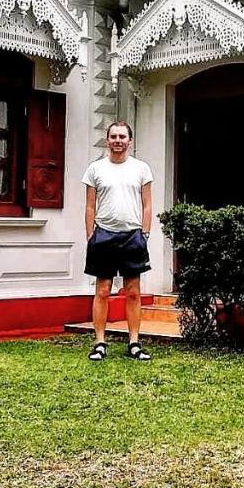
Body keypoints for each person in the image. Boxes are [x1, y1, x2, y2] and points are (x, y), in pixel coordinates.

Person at [82, 121, 153, 361]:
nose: (118, 141)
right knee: (102, 291)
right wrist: (90, 235)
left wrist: (145, 233)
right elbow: (90, 205)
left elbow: (147, 204)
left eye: (122, 136)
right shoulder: (95, 169)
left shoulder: (141, 169)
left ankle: (134, 342)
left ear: (130, 141)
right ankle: (100, 342)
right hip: (104, 235)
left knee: (133, 292)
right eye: (113, 136)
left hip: (133, 235)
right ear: (107, 140)